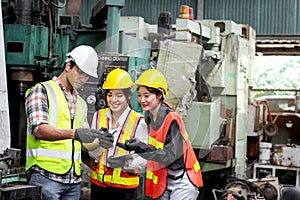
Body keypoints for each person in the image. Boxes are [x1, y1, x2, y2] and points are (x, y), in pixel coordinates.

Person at [25, 45, 114, 200]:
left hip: (73, 181)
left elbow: (85, 142)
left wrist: (99, 141)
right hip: (46, 177)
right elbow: (39, 130)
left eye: (87, 76)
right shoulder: (42, 91)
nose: (83, 79)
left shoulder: (81, 103)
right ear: (68, 66)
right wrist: (74, 134)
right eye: (80, 72)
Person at [117, 69, 203, 200]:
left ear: (159, 95)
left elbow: (170, 156)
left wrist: (141, 147)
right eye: (139, 95)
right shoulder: (151, 118)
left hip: (182, 180)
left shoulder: (172, 119)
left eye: (147, 95)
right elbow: (152, 153)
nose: (142, 100)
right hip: (165, 179)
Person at [89, 68, 148, 200]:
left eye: (119, 95)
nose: (113, 100)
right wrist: (98, 144)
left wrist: (124, 162)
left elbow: (144, 158)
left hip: (124, 189)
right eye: (110, 95)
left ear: (128, 96)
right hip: (98, 185)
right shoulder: (98, 116)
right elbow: (91, 152)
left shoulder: (138, 121)